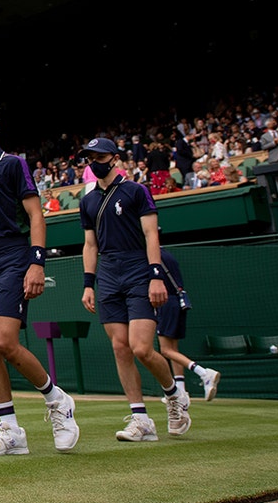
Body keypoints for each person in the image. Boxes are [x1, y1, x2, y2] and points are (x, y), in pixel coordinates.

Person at [0, 103, 79, 456]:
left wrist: (36, 263)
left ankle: (58, 401)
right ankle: (10, 430)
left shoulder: (13, 164)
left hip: (12, 255)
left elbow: (36, 215)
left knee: (4, 340)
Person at [77, 137, 192, 442]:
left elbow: (151, 234)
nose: (94, 161)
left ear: (114, 157)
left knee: (142, 347)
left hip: (138, 271)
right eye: (90, 157)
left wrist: (156, 276)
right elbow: (90, 244)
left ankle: (174, 397)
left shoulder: (136, 191)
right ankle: (140, 418)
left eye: (98, 156)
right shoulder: (87, 201)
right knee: (120, 347)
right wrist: (89, 283)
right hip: (109, 275)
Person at [153, 247, 221, 402]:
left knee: (166, 350)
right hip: (179, 301)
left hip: (165, 302)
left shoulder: (154, 257)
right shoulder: (168, 255)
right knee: (173, 349)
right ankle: (182, 391)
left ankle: (204, 373)